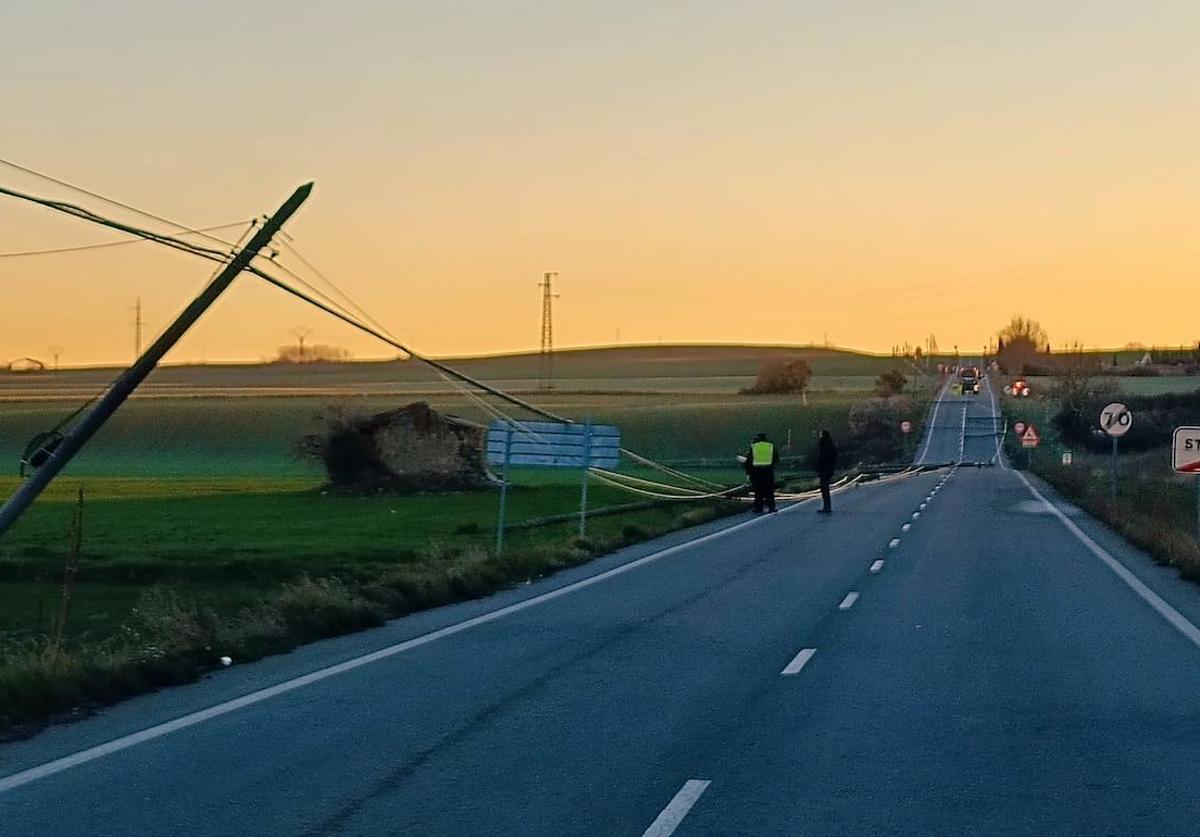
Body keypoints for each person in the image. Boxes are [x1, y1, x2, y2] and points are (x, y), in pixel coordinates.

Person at [744, 432, 778, 514]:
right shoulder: (770, 446)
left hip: (757, 471)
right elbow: (776, 459)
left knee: (758, 490)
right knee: (769, 490)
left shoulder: (754, 447)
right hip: (768, 470)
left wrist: (748, 472)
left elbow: (749, 461)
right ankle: (771, 507)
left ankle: (758, 508)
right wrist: (771, 466)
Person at [816, 429, 838, 514]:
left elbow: (821, 458)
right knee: (825, 488)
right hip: (829, 468)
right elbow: (834, 457)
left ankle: (826, 506)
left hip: (824, 469)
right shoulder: (831, 445)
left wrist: (819, 467)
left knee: (824, 488)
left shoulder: (823, 445)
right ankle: (827, 505)